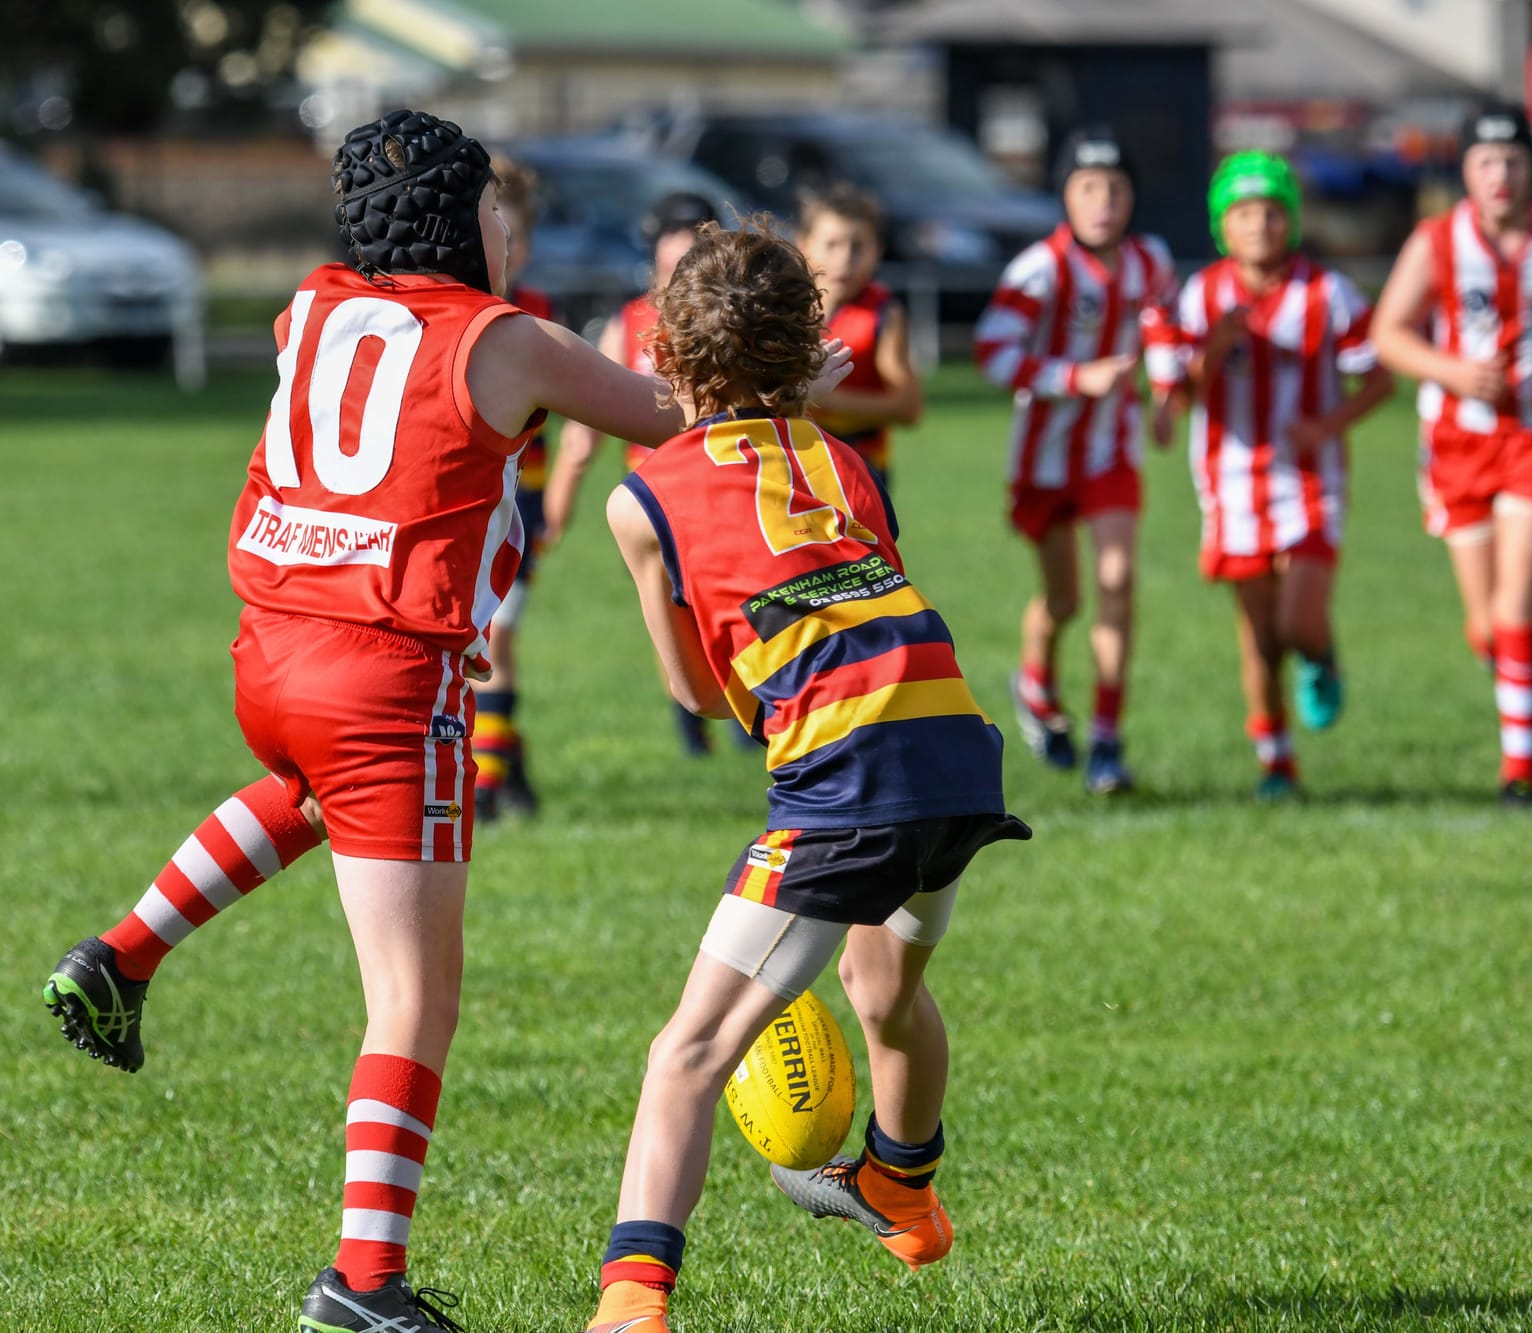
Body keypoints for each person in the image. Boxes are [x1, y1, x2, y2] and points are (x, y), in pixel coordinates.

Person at [40, 112, 831, 1333]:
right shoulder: (505, 341)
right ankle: (363, 1284)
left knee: (315, 794)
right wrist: (775, 372)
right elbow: (678, 420)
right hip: (386, 671)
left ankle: (120, 955)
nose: (512, 225)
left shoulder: (307, 307)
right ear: (468, 218)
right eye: (500, 206)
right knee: (412, 1000)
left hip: (271, 643)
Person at [586, 217, 1028, 1333]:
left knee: (686, 1052)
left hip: (849, 773)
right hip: (953, 739)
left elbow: (694, 691)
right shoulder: (839, 457)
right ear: (805, 352)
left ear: (664, 353)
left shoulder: (640, 497)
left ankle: (631, 1303)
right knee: (885, 993)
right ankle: (901, 1188)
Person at [1370, 102, 1532, 805]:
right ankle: (1517, 676)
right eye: (1485, 163)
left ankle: (1523, 774)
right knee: (1487, 624)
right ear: (1466, 173)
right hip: (1457, 442)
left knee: (1518, 604)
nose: (1501, 175)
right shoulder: (1436, 243)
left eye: (1513, 161)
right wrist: (1450, 371)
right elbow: (1389, 332)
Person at [1147, 151, 1391, 798]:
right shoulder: (1200, 296)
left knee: (1298, 621)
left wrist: (1328, 424)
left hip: (1310, 477)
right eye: (1245, 213)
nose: (1260, 225)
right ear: (1223, 225)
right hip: (1229, 483)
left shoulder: (1328, 293)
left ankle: (1322, 653)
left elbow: (1381, 378)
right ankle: (1276, 760)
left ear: (1293, 220)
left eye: (1274, 211)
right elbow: (1182, 392)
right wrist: (1215, 349)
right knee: (1257, 629)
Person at [974, 127, 1177, 795]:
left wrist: (1167, 393)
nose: (1104, 202)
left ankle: (1109, 741)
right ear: (1065, 195)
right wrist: (1074, 377)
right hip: (1043, 459)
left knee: (1116, 580)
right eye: (1088, 188)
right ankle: (1036, 683)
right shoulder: (1040, 267)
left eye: (1116, 188)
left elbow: (1166, 331)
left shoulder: (1151, 261)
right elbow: (992, 354)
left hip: (1111, 450)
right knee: (1063, 598)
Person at [544, 191, 733, 759]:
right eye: (671, 262)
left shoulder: (731, 322)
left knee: (728, 602)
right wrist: (555, 508)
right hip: (658, 501)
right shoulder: (628, 325)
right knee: (673, 606)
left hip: (725, 486)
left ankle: (750, 708)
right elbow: (582, 433)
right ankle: (690, 722)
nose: (681, 277)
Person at [470, 151, 558, 822]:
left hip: (516, 507)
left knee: (497, 637)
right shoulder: (457, 315)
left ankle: (487, 786)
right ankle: (510, 756)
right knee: (477, 640)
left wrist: (550, 504)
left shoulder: (535, 316)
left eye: (519, 230)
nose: (511, 242)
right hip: (461, 509)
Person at [797, 183, 924, 492]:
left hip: (860, 464)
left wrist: (826, 398)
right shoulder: (782, 309)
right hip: (793, 458)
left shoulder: (883, 315)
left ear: (877, 251)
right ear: (803, 244)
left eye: (857, 247)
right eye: (832, 244)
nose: (845, 259)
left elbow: (908, 408)